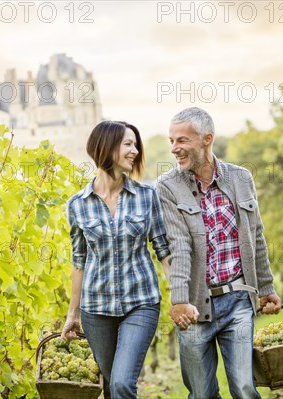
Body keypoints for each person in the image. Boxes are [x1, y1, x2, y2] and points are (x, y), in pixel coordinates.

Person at [155, 107, 282, 399]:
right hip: (196, 305)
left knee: (244, 387)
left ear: (207, 139)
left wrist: (265, 287)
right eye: (171, 141)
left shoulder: (241, 178)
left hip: (238, 300)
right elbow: (179, 246)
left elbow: (256, 236)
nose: (175, 148)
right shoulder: (168, 187)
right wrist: (180, 301)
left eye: (182, 140)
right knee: (201, 393)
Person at [60, 120, 171, 399]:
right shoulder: (77, 204)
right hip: (96, 308)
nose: (135, 151)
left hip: (141, 302)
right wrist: (72, 314)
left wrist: (180, 296)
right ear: (105, 148)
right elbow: (79, 260)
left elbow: (163, 249)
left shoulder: (147, 196)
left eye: (136, 144)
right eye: (127, 144)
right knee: (110, 387)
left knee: (122, 383)